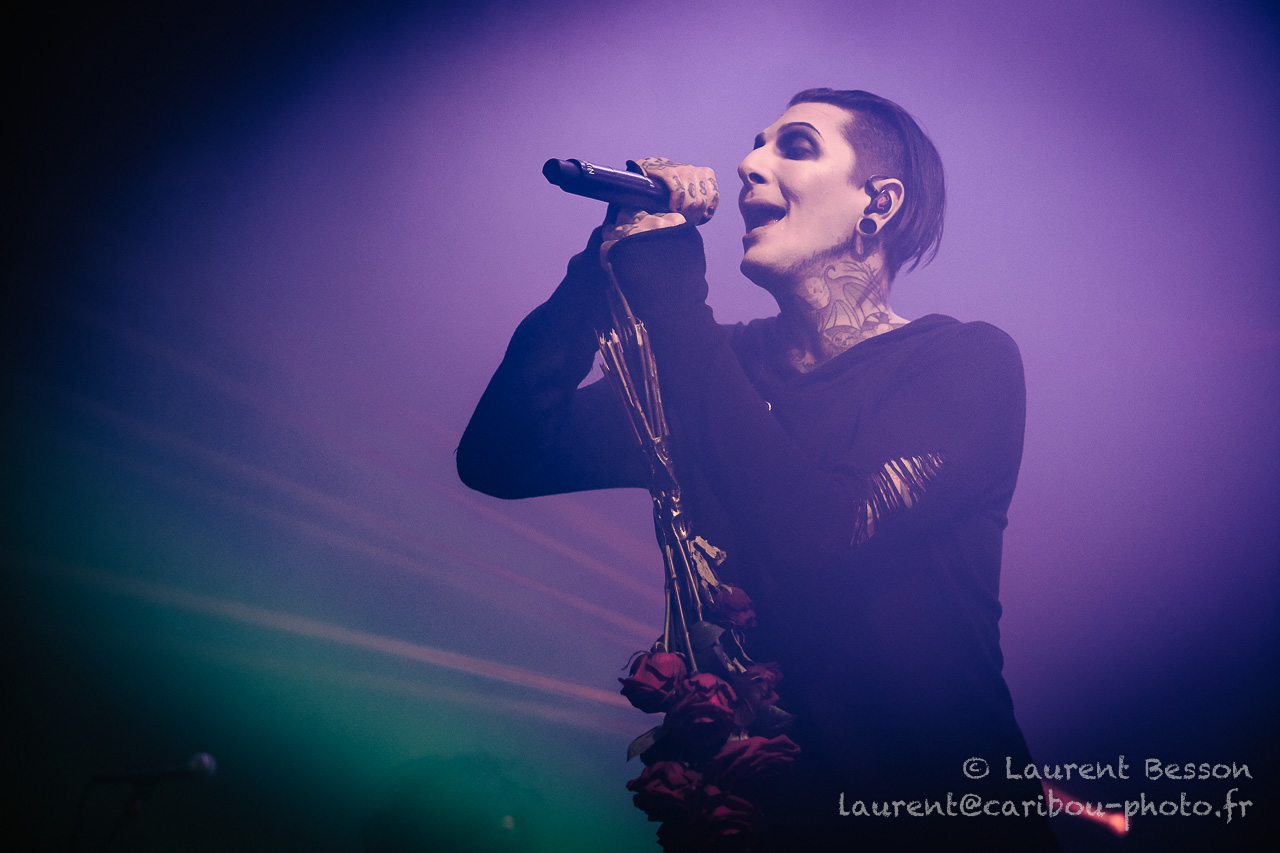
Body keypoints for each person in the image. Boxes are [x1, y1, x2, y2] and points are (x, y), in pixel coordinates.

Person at [457, 89, 1060, 851]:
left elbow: (822, 526)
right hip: (762, 825)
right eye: (755, 144)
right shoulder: (716, 361)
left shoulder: (963, 360)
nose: (748, 164)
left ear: (878, 203)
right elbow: (503, 455)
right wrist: (598, 266)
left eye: (795, 146)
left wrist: (674, 296)